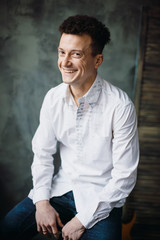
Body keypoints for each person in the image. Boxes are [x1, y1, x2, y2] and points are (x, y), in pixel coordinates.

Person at [0, 15, 139, 240]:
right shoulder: (53, 98)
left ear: (98, 60)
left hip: (101, 199)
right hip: (60, 189)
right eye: (62, 52)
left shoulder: (120, 106)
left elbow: (124, 177)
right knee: (7, 228)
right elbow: (43, 154)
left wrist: (81, 221)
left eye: (76, 54)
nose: (64, 62)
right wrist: (42, 203)